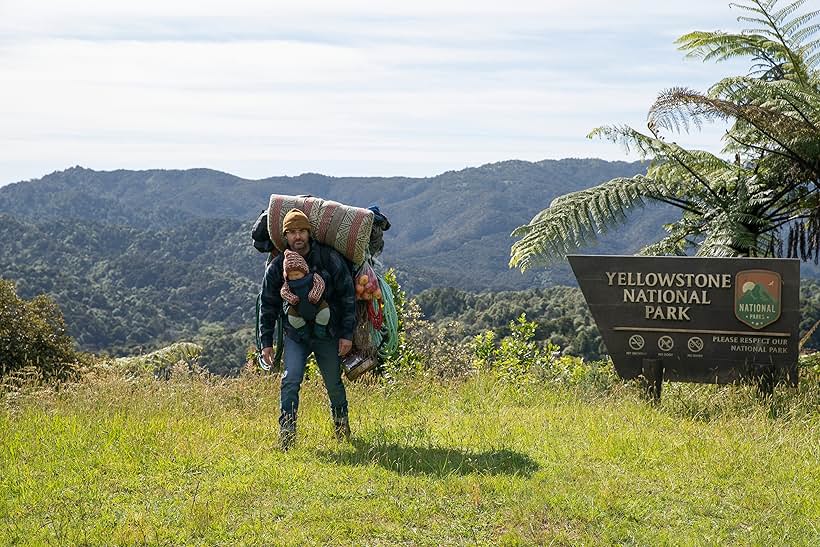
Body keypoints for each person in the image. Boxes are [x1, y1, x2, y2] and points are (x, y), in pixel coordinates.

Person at [259, 208, 356, 450]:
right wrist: (266, 342)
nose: (297, 237)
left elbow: (347, 296)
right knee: (290, 380)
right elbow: (268, 304)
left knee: (333, 383)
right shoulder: (278, 266)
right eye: (291, 232)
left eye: (301, 231)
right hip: (295, 336)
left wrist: (347, 335)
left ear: (309, 232)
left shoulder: (328, 258)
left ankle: (342, 430)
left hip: (328, 334)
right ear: (285, 236)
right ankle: (287, 436)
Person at [280, 249, 331, 339]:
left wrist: (315, 294)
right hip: (297, 307)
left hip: (316, 303)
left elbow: (320, 284)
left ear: (304, 271)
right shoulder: (287, 284)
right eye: (291, 275)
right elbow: (284, 292)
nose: (294, 277)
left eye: (297, 274)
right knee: (292, 318)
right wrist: (291, 298)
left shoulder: (312, 277)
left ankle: (320, 327)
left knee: (325, 312)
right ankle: (302, 330)